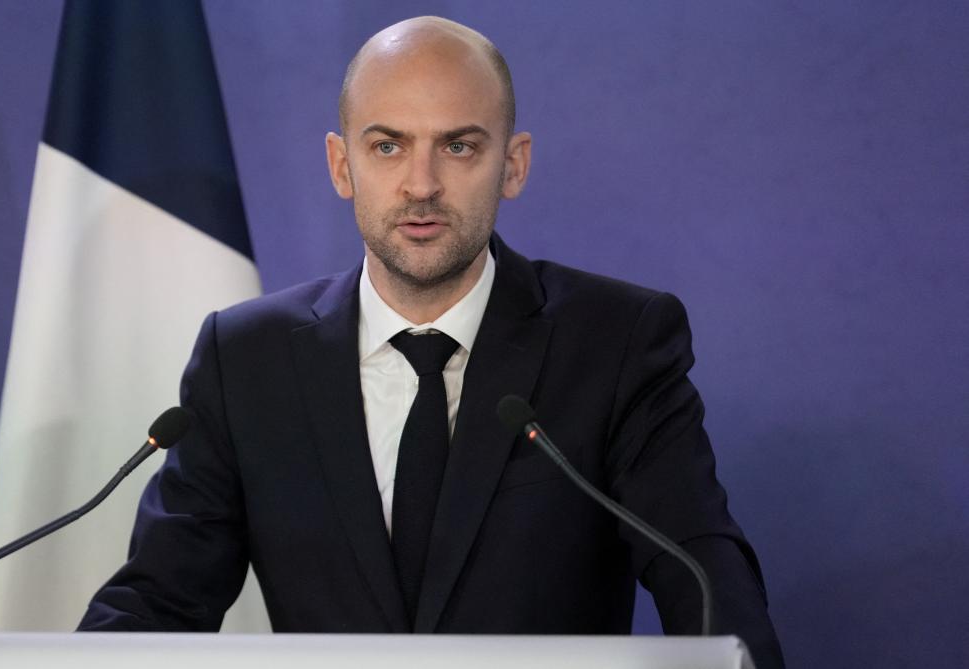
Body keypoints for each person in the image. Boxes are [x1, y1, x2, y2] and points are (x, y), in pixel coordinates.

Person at [80, 16, 785, 669]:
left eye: (458, 146)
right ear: (341, 164)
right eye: (387, 146)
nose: (421, 185)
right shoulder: (247, 360)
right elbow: (159, 601)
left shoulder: (615, 343)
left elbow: (702, 573)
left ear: (513, 164)